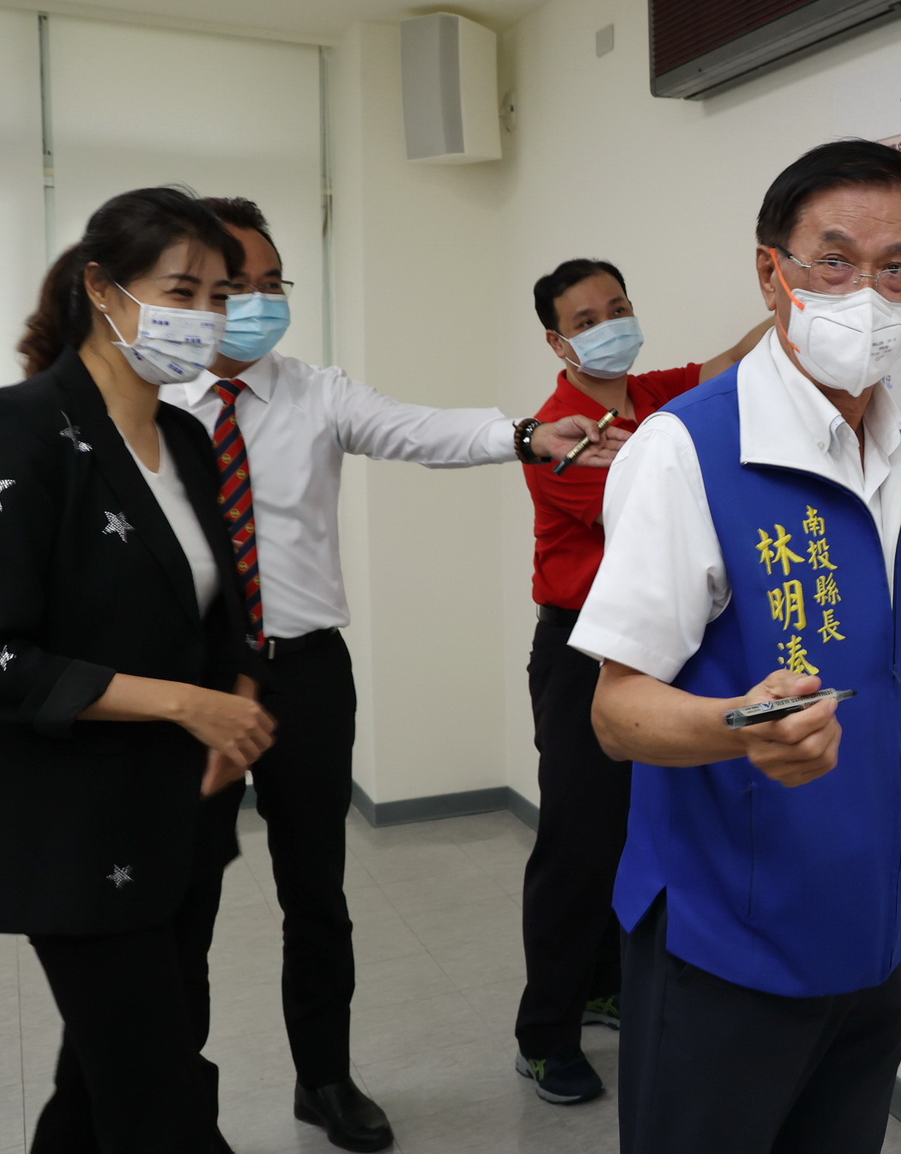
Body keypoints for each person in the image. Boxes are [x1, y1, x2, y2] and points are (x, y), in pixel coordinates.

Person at [158, 198, 614, 1152]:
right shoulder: (147, 406)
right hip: (188, 685)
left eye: (273, 283)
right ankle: (172, 1101)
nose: (257, 302)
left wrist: (527, 434)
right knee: (179, 901)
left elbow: (419, 429)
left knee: (316, 893)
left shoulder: (315, 393)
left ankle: (323, 1079)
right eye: (234, 286)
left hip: (305, 674)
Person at [572, 140, 901, 1154]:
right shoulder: (686, 448)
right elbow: (615, 711)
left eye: (896, 268)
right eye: (834, 260)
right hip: (725, 942)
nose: (865, 292)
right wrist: (740, 726)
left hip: (871, 934)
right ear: (771, 272)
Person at [0, 187, 275, 1152]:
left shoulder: (189, 439)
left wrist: (239, 695)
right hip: (70, 827)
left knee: (104, 1077)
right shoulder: (16, 429)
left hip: (177, 816)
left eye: (219, 297)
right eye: (182, 291)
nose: (205, 317)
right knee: (160, 1096)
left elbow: (223, 603)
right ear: (102, 288)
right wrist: (188, 706)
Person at [512, 258, 766, 1103]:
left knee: (634, 835)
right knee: (577, 846)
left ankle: (602, 987)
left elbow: (730, 362)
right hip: (580, 654)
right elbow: (647, 510)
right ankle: (545, 1034)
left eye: (617, 308)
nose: (607, 326)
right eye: (586, 321)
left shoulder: (652, 396)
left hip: (656, 656)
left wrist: (794, 309)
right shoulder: (559, 432)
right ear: (558, 342)